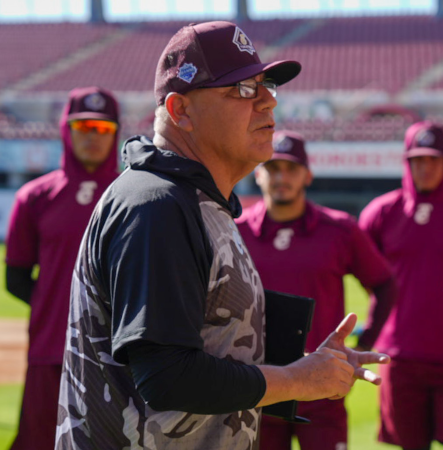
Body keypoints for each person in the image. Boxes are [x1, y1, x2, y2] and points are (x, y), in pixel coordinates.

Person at [54, 21, 388, 450]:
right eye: (243, 90)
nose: (268, 101)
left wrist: (310, 367)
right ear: (181, 111)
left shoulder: (197, 200)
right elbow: (167, 375)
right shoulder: (155, 204)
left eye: (266, 85)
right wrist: (294, 380)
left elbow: (210, 345)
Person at [236, 130, 397, 450]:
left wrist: (362, 343)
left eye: (291, 169)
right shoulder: (235, 231)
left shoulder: (339, 230)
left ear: (307, 175)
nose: (282, 177)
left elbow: (385, 283)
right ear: (258, 173)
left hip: (323, 386)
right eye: (273, 168)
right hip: (257, 386)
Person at [4, 87, 120, 450]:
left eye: (102, 129)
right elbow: (16, 277)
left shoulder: (134, 195)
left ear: (116, 133)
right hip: (48, 352)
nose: (91, 136)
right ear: (66, 130)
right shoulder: (34, 197)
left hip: (116, 358)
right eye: (83, 126)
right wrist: (60, 310)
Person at [359, 122, 443, 450]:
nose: (426, 168)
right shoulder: (381, 213)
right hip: (400, 358)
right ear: (407, 163)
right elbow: (366, 271)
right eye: (418, 160)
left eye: (433, 159)